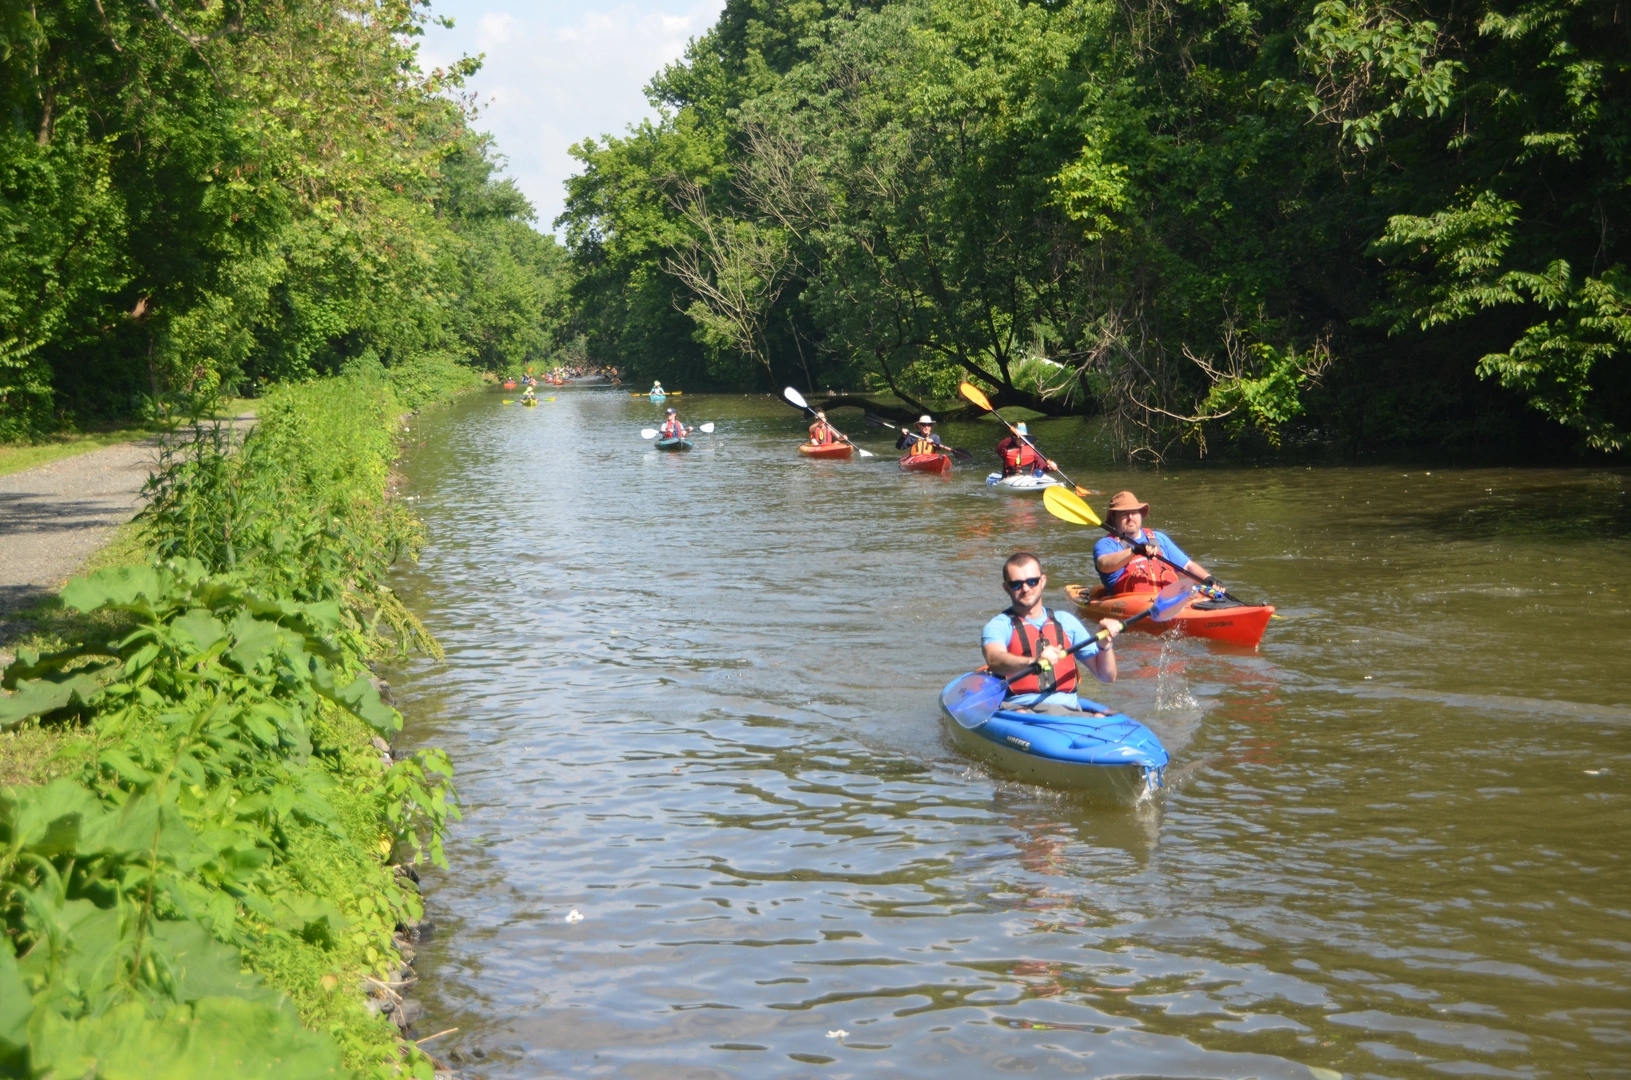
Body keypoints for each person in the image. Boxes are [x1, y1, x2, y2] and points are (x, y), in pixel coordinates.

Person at [982, 552, 1123, 715]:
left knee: (1099, 717)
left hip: (1067, 710)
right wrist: (1035, 662)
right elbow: (994, 659)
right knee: (1022, 714)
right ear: (1006, 588)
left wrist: (1105, 644)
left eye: (1032, 581)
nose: (1025, 589)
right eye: (1016, 584)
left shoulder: (1067, 622)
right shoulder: (999, 625)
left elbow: (1107, 676)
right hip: (1021, 711)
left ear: (1042, 581)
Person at [1093, 490, 1220, 596]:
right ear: (1113, 519)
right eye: (1124, 514)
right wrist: (1134, 551)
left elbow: (1187, 566)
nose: (1130, 517)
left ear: (1141, 515)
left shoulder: (1158, 538)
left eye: (1134, 512)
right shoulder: (1107, 544)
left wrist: (1207, 578)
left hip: (1168, 600)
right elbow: (1103, 564)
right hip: (1130, 603)